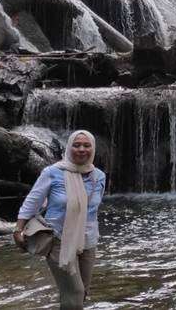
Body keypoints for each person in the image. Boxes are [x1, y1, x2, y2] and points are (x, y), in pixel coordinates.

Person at [14, 130, 107, 309]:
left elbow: (92, 210)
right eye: (76, 145)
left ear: (92, 149)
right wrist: (18, 229)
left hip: (88, 242)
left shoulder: (99, 176)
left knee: (81, 292)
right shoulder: (52, 172)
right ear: (69, 147)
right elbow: (32, 202)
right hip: (59, 240)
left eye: (86, 146)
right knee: (75, 292)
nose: (81, 149)